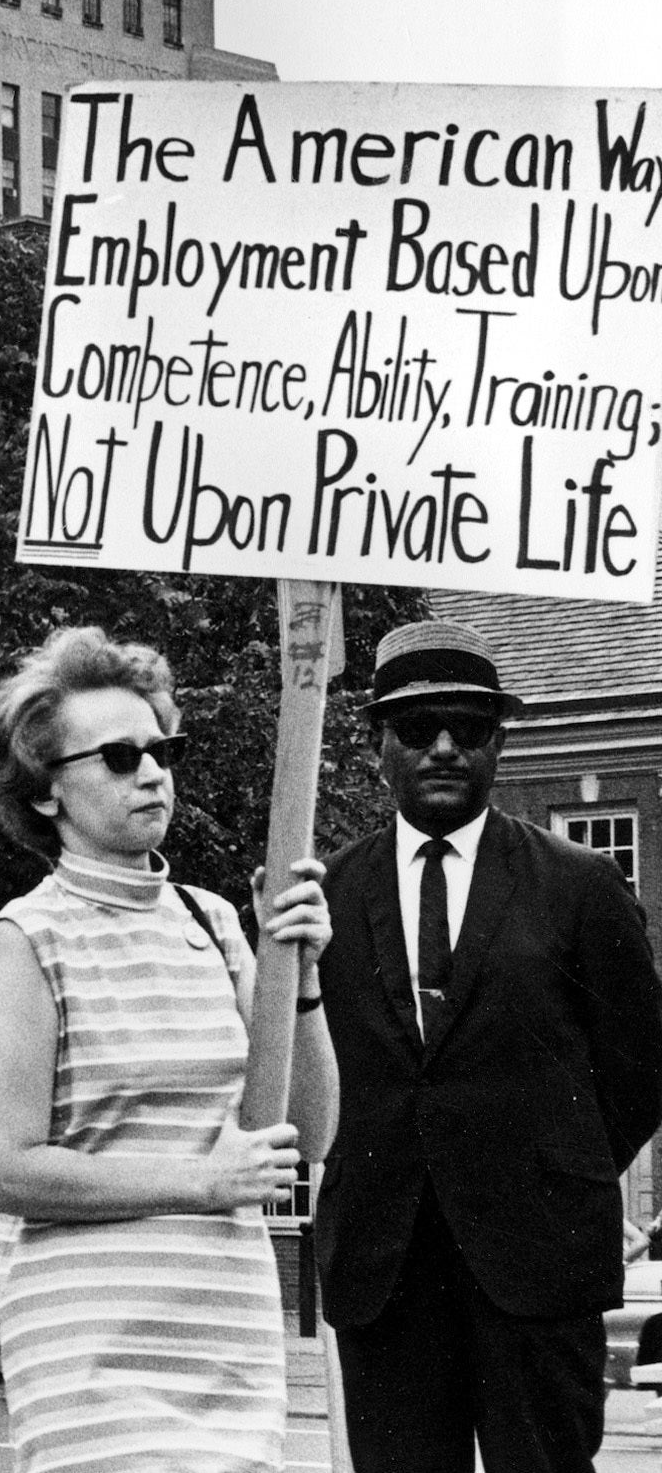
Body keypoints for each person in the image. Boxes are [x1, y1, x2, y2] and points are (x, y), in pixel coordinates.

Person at [0, 626, 335, 1473]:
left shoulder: (213, 922)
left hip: (229, 1346)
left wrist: (306, 980)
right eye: (121, 757)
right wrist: (203, 1180)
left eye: (160, 749)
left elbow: (307, 1137)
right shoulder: (33, 936)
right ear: (48, 792)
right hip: (94, 1364)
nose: (154, 772)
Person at [313, 621, 662, 1473]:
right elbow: (303, 1076)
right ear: (376, 745)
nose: (442, 748)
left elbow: (641, 1066)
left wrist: (556, 1167)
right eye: (416, 727)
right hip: (384, 1272)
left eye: (467, 728)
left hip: (538, 1270)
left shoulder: (579, 885)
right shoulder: (324, 897)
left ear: (498, 741)